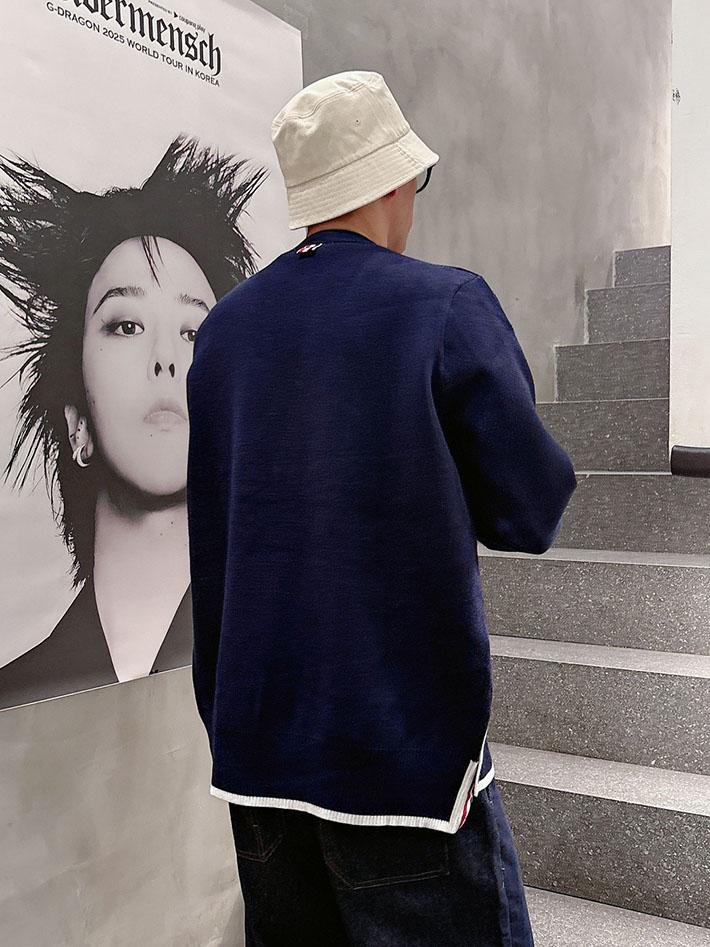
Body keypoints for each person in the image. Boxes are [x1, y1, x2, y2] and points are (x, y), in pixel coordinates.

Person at [185, 71, 578, 946]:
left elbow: (215, 537)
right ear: (394, 180)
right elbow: (531, 510)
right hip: (398, 754)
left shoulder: (222, 332)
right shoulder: (444, 305)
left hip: (256, 751)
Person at [0, 134, 266, 708]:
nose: (165, 358)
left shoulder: (292, 656)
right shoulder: (16, 698)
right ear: (77, 423)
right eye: (126, 326)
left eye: (194, 332)